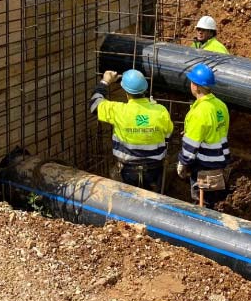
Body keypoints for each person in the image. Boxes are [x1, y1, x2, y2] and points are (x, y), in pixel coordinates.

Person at [89, 69, 173, 191]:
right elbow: (168, 136)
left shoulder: (118, 110)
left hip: (127, 171)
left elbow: (94, 104)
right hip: (155, 170)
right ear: (145, 88)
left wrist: (105, 81)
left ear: (126, 92)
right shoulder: (160, 111)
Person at [176, 63, 231, 208]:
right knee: (211, 201)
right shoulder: (221, 105)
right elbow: (219, 132)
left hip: (204, 168)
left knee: (202, 206)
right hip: (219, 164)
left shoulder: (199, 112)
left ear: (195, 86)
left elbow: (191, 145)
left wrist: (183, 163)